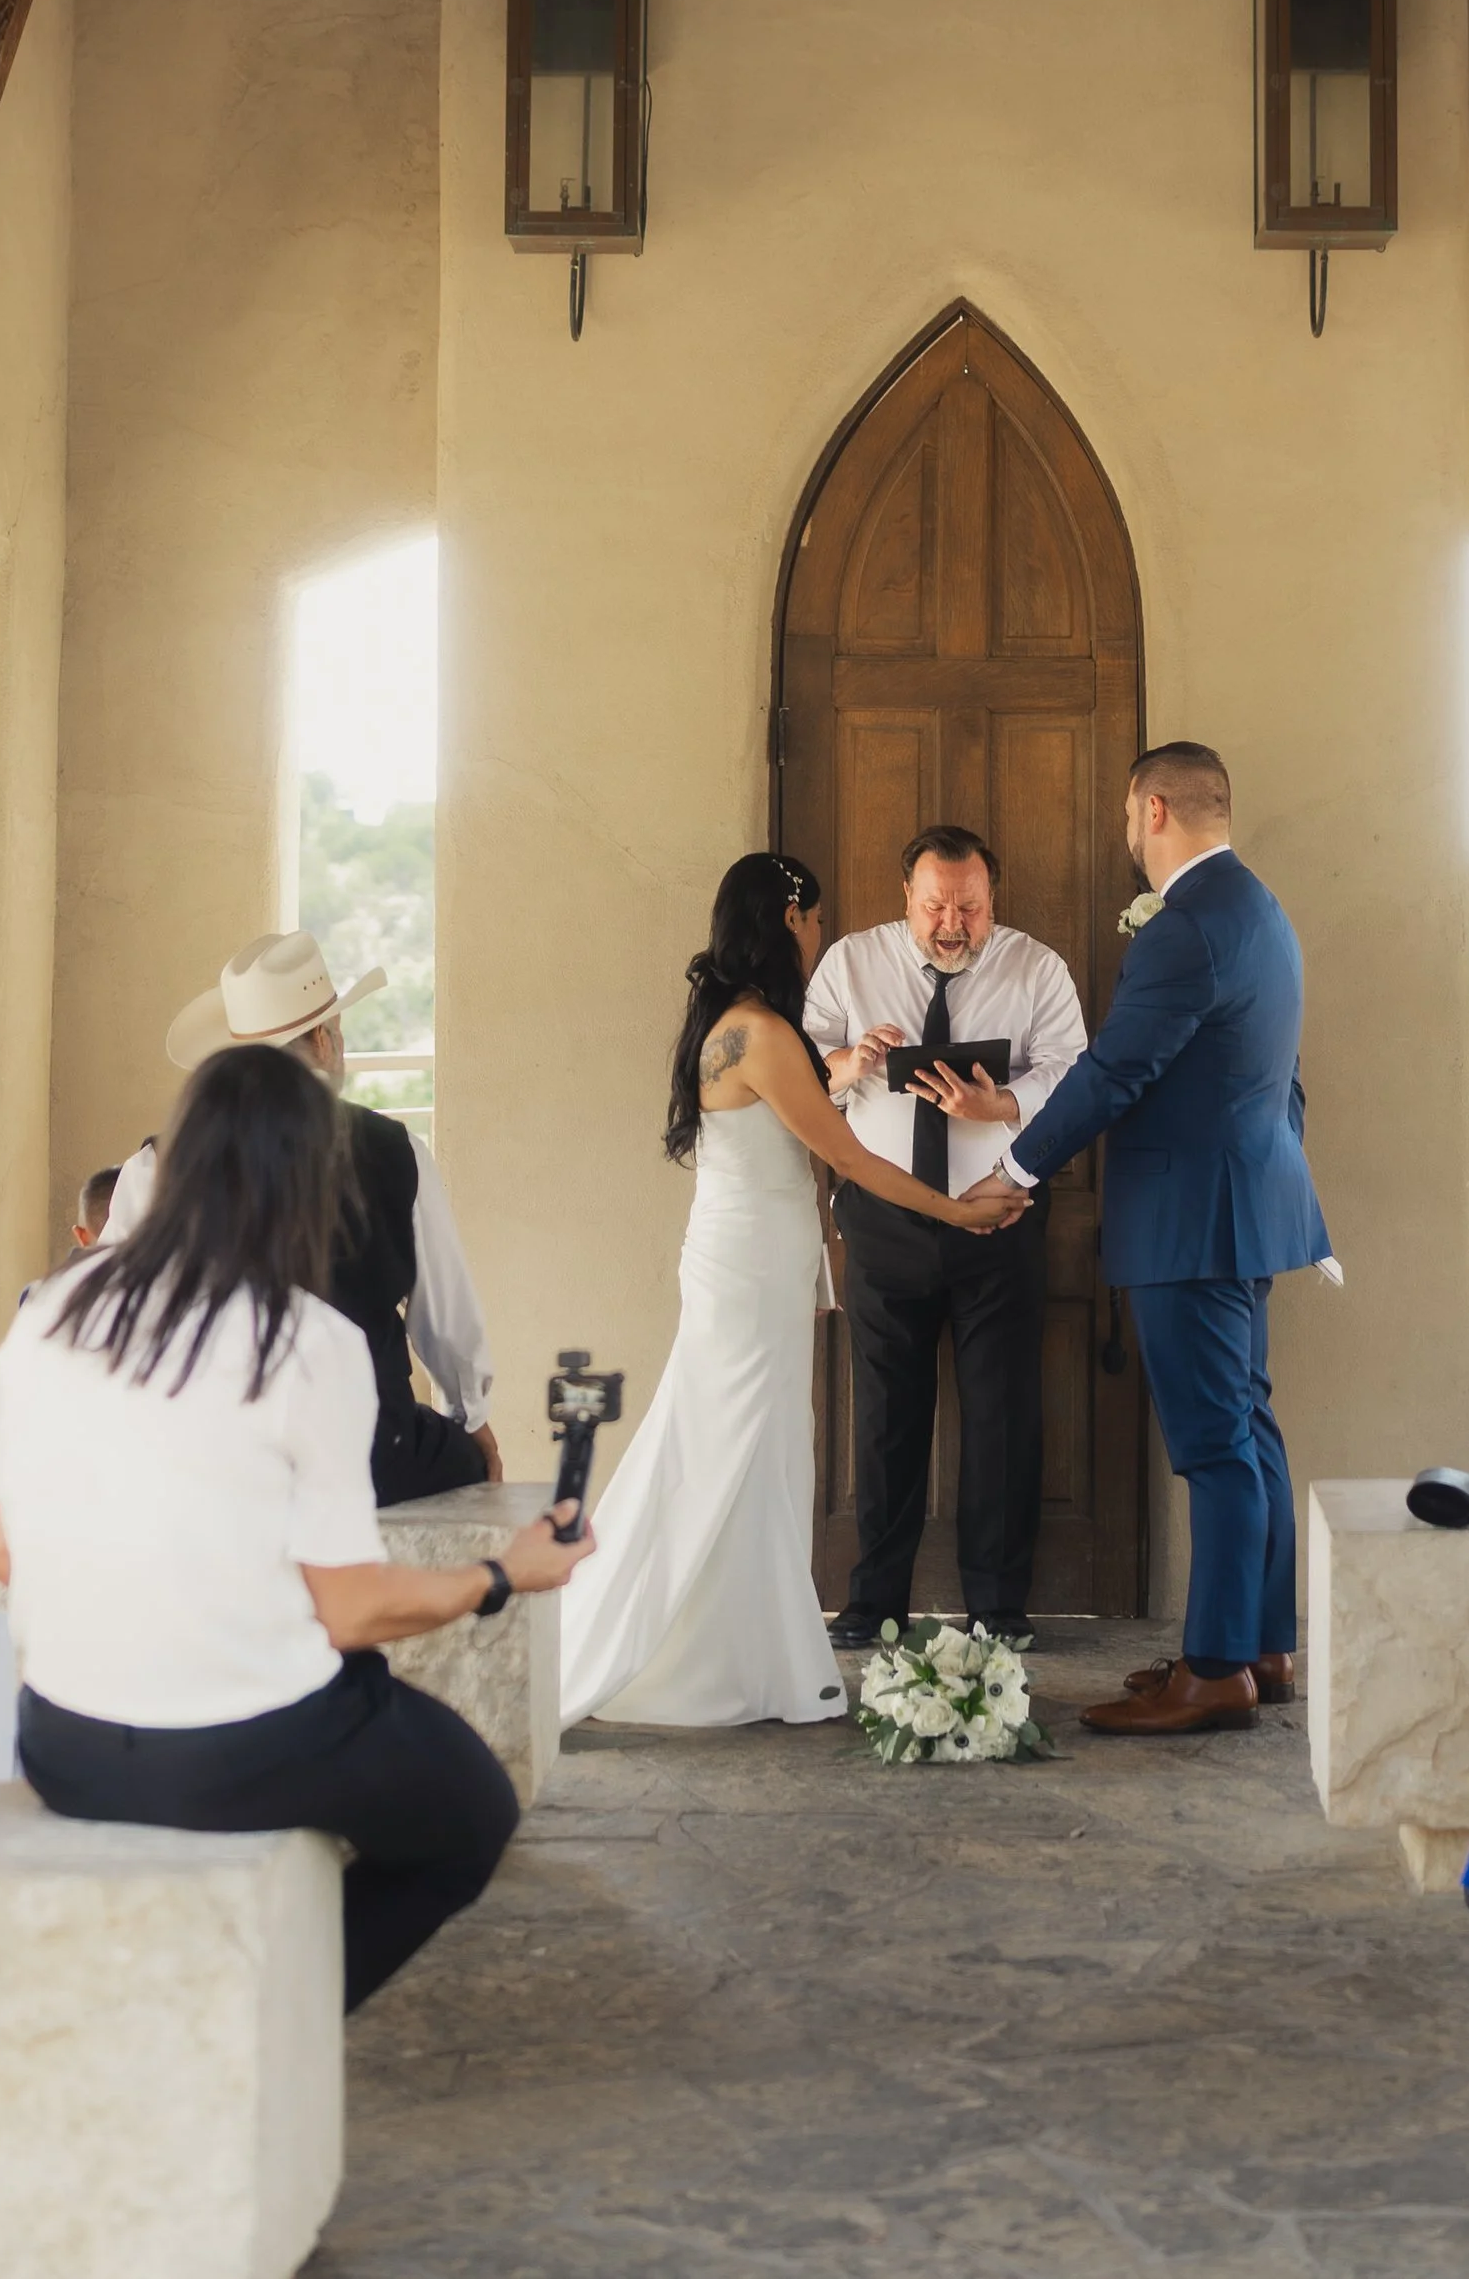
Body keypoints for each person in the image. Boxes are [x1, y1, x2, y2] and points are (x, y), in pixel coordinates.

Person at [0, 1044, 590, 2011]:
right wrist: (503, 1573)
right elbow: (349, 1610)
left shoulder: (51, 1310)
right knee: (471, 1813)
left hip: (66, 1738)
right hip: (237, 1748)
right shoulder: (307, 1340)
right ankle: (254, 2019)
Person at [559, 853, 1029, 1732]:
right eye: (812, 920)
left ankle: (749, 1650)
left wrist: (815, 1259)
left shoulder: (740, 1023)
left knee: (755, 1445)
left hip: (752, 1257)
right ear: (786, 920)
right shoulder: (762, 1033)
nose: (818, 934)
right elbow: (845, 1157)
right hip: (748, 1264)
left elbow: (790, 1147)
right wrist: (956, 1211)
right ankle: (699, 1647)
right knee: (731, 1443)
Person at [996, 744, 1332, 1737]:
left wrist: (1017, 1167)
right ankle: (1259, 1646)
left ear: (1150, 808)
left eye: (1124, 813)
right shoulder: (1260, 910)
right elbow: (1284, 1079)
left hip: (1191, 1219)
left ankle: (1216, 1671)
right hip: (1247, 1206)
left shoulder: (1184, 927)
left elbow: (1114, 1071)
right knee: (1249, 1429)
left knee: (1217, 1448)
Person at [804, 823, 1086, 1646]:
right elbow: (801, 1067)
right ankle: (874, 1603)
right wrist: (854, 1061)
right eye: (936, 907)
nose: (953, 925)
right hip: (882, 1220)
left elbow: (1075, 1072)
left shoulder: (1037, 968)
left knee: (1002, 1416)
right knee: (884, 1417)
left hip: (999, 1217)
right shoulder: (851, 963)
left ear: (992, 898)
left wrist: (1002, 1104)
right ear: (907, 897)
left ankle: (997, 1606)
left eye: (970, 907)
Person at [101, 933, 502, 1505]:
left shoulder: (152, 1168)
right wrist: (471, 1418)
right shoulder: (396, 1152)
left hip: (212, 1455)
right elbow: (445, 1321)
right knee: (463, 1457)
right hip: (364, 1454)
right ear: (323, 1040)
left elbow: (115, 1318)